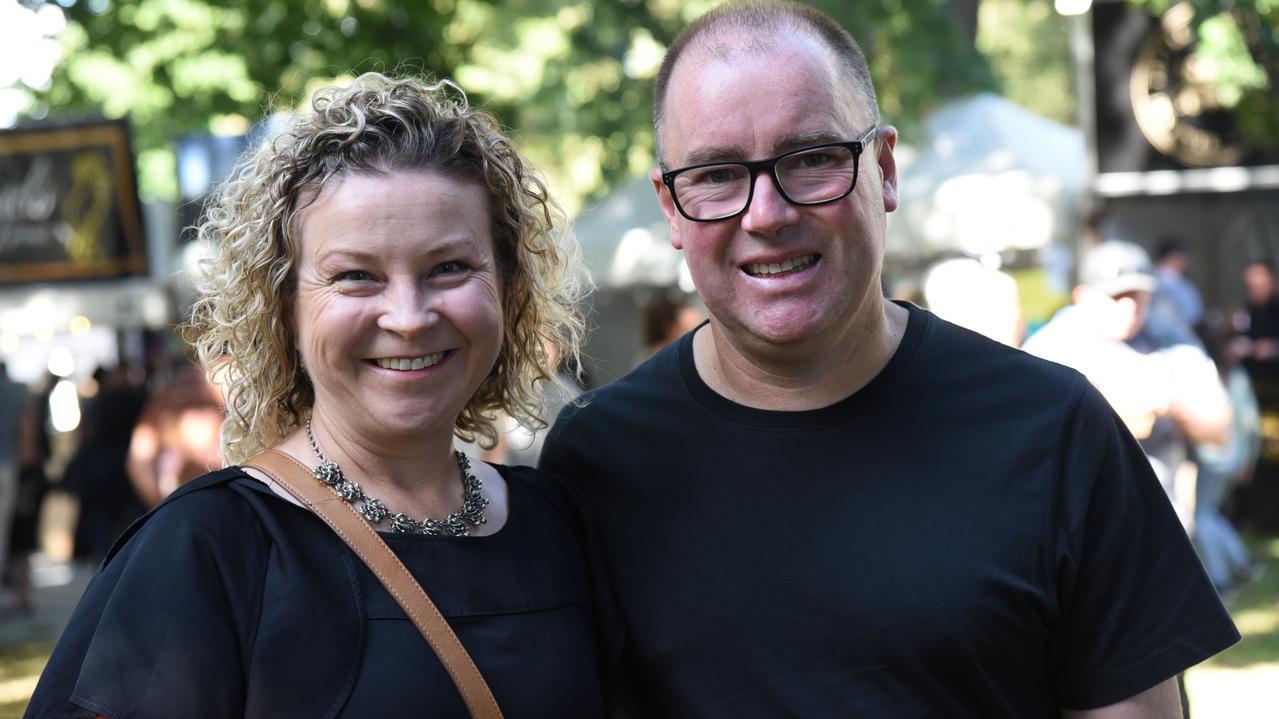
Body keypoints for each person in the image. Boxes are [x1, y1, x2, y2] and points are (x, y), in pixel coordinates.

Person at [540, 3, 1238, 716]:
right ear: (671, 208)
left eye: (810, 159)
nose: (765, 213)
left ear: (884, 168)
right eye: (717, 174)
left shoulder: (1054, 430)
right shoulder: (597, 458)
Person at [27, 72, 606, 717]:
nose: (409, 316)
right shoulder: (208, 549)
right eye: (356, 276)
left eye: (449, 267)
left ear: (507, 286)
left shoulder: (558, 524)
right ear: (287, 312)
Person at [1024, 240, 1232, 528]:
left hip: (1159, 520)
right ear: (1083, 295)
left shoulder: (1170, 339)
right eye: (1115, 295)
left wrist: (1171, 402)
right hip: (1074, 521)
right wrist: (1102, 409)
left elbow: (1221, 430)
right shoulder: (1051, 346)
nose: (1129, 306)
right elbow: (1024, 434)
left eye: (1138, 295)